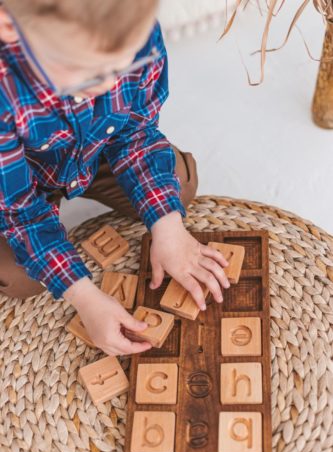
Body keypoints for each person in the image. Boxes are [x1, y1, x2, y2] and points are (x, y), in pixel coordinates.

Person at [0, 0, 230, 356]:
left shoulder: (132, 28)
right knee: (19, 276)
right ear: (10, 27)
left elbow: (135, 133)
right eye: (90, 74)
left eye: (124, 65)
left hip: (96, 149)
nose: (108, 84)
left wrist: (168, 228)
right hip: (18, 181)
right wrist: (85, 297)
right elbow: (20, 212)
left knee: (178, 186)